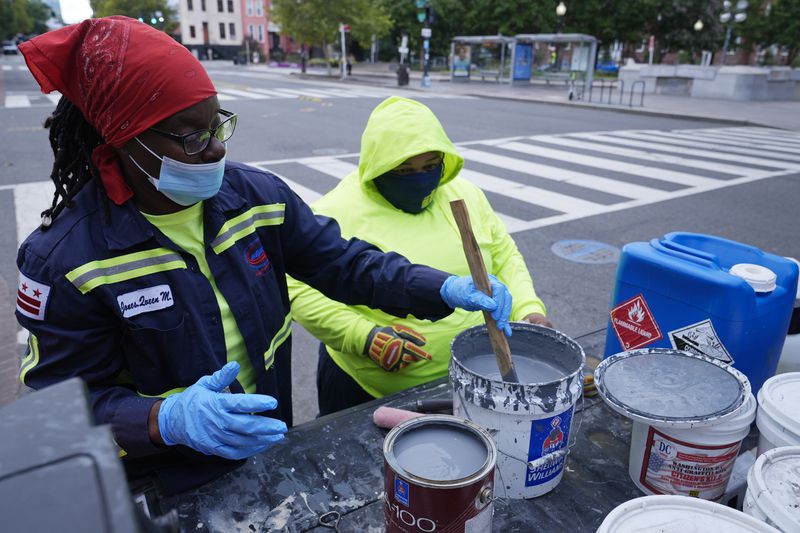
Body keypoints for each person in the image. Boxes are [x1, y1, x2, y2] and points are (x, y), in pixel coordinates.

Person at [14, 17, 513, 494]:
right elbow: (65, 409)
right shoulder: (66, 260)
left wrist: (441, 287)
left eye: (218, 126)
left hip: (269, 443)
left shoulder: (256, 198)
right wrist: (163, 420)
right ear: (124, 138)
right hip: (165, 479)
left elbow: (344, 263)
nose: (215, 151)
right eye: (192, 136)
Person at [288, 96, 552, 416]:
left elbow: (503, 252)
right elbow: (299, 287)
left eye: (430, 167)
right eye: (403, 170)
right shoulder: (334, 211)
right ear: (378, 167)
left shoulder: (465, 195)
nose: (420, 178)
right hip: (365, 389)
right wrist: (363, 336)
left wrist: (529, 309)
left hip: (462, 379)